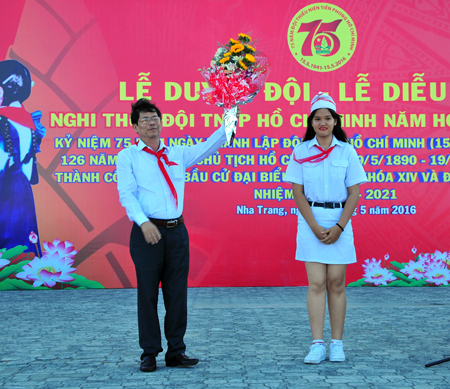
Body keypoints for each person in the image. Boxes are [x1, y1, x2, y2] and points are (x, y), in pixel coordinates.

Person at [116, 98, 238, 372]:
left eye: (155, 118)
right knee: (147, 294)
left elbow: (211, 145)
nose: (151, 123)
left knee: (177, 294)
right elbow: (127, 194)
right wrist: (143, 222)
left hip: (176, 232)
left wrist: (231, 113)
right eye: (145, 120)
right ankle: (149, 352)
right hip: (147, 233)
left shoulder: (178, 153)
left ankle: (176, 351)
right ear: (135, 127)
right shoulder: (128, 157)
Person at [284, 92, 367, 364]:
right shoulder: (301, 151)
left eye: (327, 118)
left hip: (340, 221)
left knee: (337, 283)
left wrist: (340, 227)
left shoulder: (347, 150)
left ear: (335, 121)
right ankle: (317, 344)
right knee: (317, 283)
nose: (322, 123)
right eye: (317, 118)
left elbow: (354, 192)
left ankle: (337, 344)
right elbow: (298, 193)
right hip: (311, 220)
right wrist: (314, 225)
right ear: (311, 122)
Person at [0, 59, 46, 256]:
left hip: (5, 190)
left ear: (8, 88)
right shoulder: (29, 122)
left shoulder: (3, 120)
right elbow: (28, 168)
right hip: (22, 190)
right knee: (23, 242)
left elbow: (2, 163)